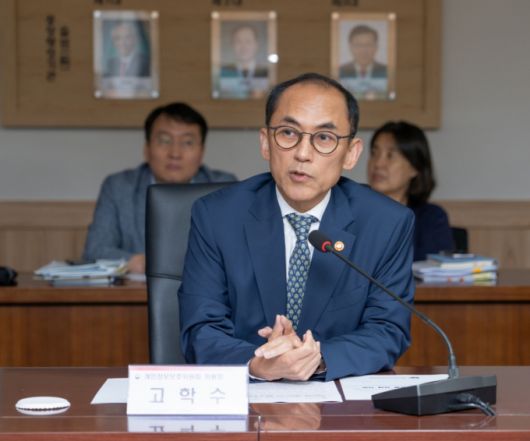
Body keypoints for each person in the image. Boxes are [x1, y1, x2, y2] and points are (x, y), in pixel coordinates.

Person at [179, 73, 414, 382]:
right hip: (244, 395)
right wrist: (257, 363)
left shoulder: (386, 223)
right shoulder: (217, 216)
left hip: (338, 399)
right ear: (266, 143)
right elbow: (200, 328)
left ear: (351, 154)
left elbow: (387, 329)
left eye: (324, 138)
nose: (303, 154)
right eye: (288, 133)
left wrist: (314, 359)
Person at [83, 102, 237, 273]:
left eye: (187, 143)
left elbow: (238, 251)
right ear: (147, 148)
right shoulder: (119, 187)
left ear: (201, 152)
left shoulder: (223, 188)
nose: (175, 153)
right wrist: (137, 262)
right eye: (164, 141)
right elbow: (94, 251)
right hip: (138, 289)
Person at [367, 121, 454, 261]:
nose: (377, 164)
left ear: (415, 168)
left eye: (390, 155)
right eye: (374, 153)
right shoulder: (352, 213)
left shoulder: (431, 218)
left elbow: (432, 269)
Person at [218, 24, 269, 99]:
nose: (243, 46)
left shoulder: (265, 72)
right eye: (238, 41)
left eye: (248, 41)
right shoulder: (224, 71)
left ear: (256, 44)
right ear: (232, 44)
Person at [339, 24, 388, 99]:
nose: (363, 50)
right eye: (358, 45)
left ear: (376, 47)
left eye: (368, 44)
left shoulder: (386, 71)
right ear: (350, 47)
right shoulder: (340, 71)